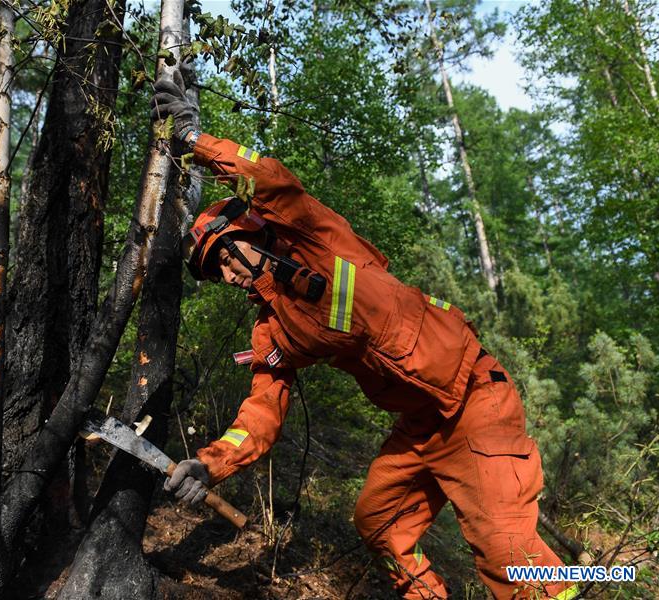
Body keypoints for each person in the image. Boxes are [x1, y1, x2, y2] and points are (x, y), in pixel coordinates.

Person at [151, 74, 578, 600]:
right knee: (378, 522)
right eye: (215, 273)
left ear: (250, 234)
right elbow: (261, 412)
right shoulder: (272, 327)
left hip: (476, 402)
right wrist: (210, 463)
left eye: (225, 258)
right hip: (423, 427)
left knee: (506, 549)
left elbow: (267, 178)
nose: (227, 275)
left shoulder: (315, 239)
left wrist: (194, 142)